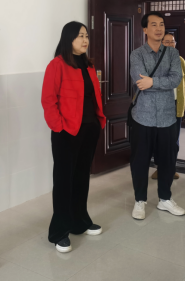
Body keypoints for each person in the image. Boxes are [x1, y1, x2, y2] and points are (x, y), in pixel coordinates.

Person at [42, 22, 107, 254]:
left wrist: (98, 122)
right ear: (68, 39)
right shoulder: (57, 65)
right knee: (63, 181)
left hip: (89, 129)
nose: (85, 40)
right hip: (66, 133)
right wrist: (59, 128)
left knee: (81, 178)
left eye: (86, 35)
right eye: (80, 36)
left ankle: (80, 221)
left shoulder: (88, 65)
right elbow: (48, 100)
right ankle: (59, 231)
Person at [130, 12, 185, 220]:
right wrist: (159, 82)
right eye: (153, 25)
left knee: (168, 160)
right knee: (140, 161)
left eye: (161, 24)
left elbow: (176, 79)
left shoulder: (172, 53)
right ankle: (140, 200)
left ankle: (165, 199)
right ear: (145, 29)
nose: (159, 28)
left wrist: (152, 82)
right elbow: (139, 81)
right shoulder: (136, 54)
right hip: (142, 117)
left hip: (167, 116)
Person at [151, 33, 185, 181]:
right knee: (159, 139)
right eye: (167, 42)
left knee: (174, 140)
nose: (170, 44)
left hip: (176, 105)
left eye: (172, 42)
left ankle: (171, 168)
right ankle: (159, 168)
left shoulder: (180, 61)